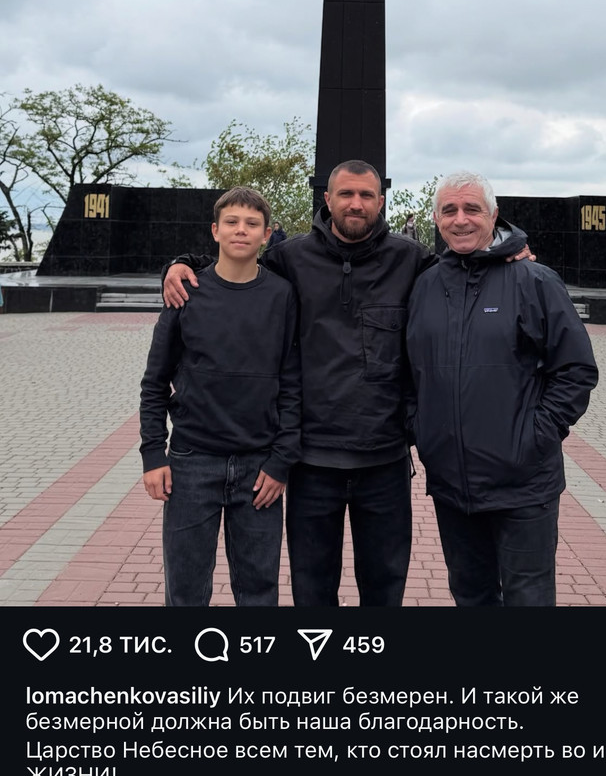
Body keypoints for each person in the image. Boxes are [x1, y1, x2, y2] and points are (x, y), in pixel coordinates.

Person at [162, 160, 532, 607]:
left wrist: (511, 248)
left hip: (385, 460)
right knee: (312, 590)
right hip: (312, 462)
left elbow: (467, 267)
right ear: (327, 199)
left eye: (366, 195)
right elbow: (236, 263)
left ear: (381, 202)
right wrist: (181, 264)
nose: (355, 204)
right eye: (346, 194)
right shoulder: (290, 258)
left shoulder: (411, 259)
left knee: (384, 587)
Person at [406, 171, 598, 607]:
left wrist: (536, 436)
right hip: (452, 483)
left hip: (523, 484)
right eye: (449, 210)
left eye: (472, 209)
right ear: (436, 219)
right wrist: (422, 429)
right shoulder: (425, 285)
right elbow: (409, 371)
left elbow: (576, 370)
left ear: (494, 216)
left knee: (528, 599)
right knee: (470, 596)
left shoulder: (535, 281)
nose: (460, 219)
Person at [140, 186, 300, 607]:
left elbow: (292, 383)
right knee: (186, 593)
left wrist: (281, 462)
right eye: (231, 222)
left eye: (252, 223)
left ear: (267, 234)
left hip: (259, 468)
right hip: (191, 463)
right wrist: (153, 454)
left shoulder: (282, 295)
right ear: (215, 230)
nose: (241, 230)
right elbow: (154, 381)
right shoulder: (185, 291)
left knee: (259, 593)